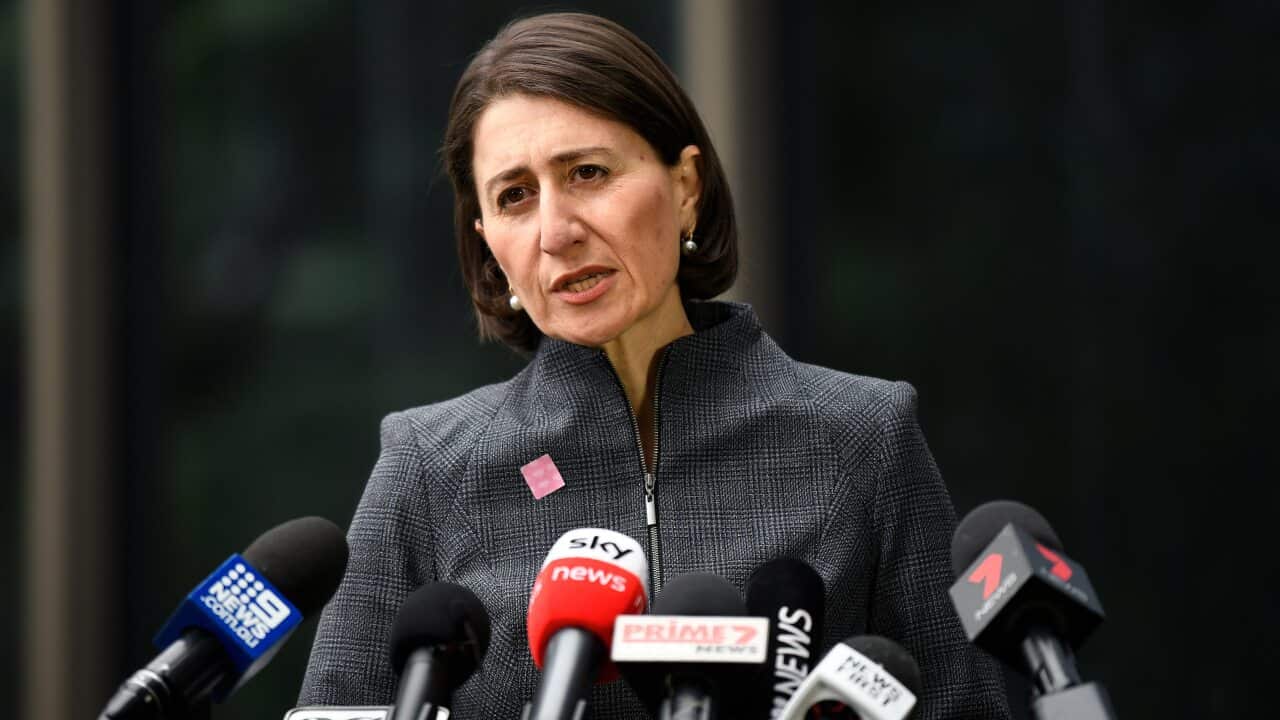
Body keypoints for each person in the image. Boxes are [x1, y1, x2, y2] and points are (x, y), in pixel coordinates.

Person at [299, 12, 1011, 719]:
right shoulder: (428, 467)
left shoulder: (864, 435)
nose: (556, 232)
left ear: (686, 187)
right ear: (489, 242)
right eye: (516, 196)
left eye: (587, 173)